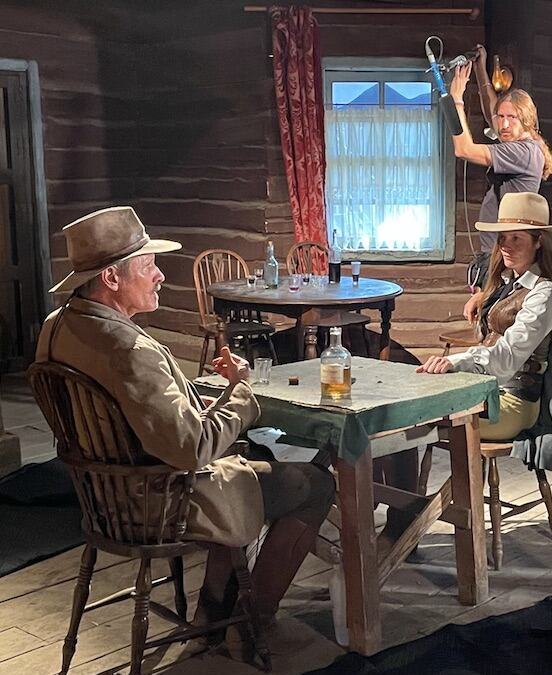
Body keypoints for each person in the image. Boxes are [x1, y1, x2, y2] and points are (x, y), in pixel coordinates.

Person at [35, 206, 335, 631]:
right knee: (315, 483)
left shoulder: (56, 326)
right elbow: (191, 449)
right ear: (111, 278)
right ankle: (251, 622)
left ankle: (212, 611)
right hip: (156, 500)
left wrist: (198, 393)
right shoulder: (129, 350)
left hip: (102, 497)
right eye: (148, 265)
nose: (159, 275)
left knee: (242, 457)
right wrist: (241, 394)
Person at [417, 192, 552, 441]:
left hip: (513, 401)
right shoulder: (508, 282)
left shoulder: (545, 293)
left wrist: (457, 362)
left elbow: (509, 356)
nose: (506, 245)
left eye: (516, 238)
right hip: (486, 388)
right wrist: (484, 297)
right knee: (419, 406)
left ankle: (459, 479)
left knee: (427, 422)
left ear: (539, 242)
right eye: (502, 237)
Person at [449, 59, 552, 325]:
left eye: (513, 118)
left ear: (527, 121)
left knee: (495, 326)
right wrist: (482, 70)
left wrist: (455, 101)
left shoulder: (522, 151)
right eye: (502, 117)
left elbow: (463, 149)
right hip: (497, 252)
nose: (504, 124)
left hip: (504, 253)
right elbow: (491, 110)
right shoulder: (525, 144)